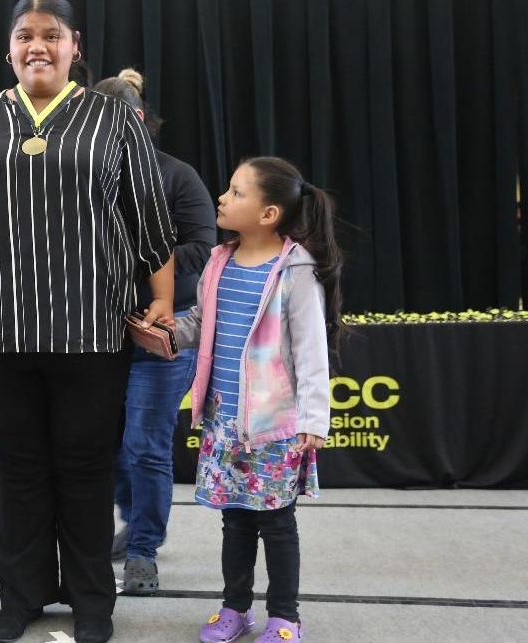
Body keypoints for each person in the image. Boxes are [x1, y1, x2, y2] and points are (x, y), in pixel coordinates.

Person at [0, 1, 176, 640]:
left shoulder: (112, 119)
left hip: (90, 330)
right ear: (8, 48)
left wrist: (163, 300)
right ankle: (20, 596)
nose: (38, 46)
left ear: (73, 44)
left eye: (50, 35)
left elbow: (149, 221)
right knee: (22, 466)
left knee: (85, 466)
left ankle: (92, 602)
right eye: (24, 36)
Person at [174, 157, 342, 643]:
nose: (222, 198)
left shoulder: (295, 269)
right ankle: (235, 609)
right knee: (235, 521)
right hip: (225, 420)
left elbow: (311, 352)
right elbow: (200, 326)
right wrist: (163, 334)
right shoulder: (217, 260)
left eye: (235, 192)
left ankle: (285, 617)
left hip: (274, 425)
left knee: (276, 522)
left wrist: (313, 419)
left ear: (268, 214)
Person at [93, 69, 217, 594]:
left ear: (138, 120)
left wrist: (141, 272)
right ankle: (135, 521)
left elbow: (204, 244)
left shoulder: (177, 176)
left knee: (145, 446)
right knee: (108, 446)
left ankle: (143, 550)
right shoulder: (84, 176)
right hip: (96, 337)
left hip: (160, 335)